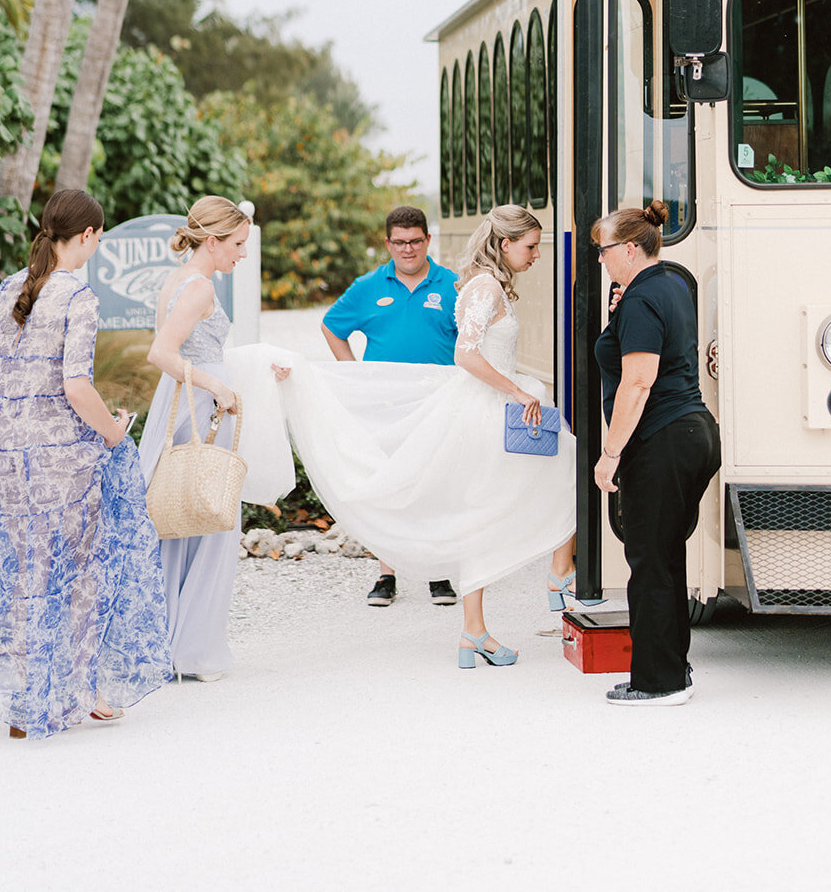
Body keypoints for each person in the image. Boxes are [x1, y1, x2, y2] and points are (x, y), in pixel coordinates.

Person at [278, 204, 576, 666]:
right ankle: (558, 574)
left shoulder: (480, 284)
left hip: (486, 406)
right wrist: (517, 392)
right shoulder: (484, 287)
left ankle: (476, 630)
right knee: (563, 466)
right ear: (506, 244)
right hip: (485, 412)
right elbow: (466, 354)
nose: (537, 255)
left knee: (507, 499)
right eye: (532, 246)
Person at [0, 189, 171, 738]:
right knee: (79, 572)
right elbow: (75, 386)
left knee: (27, 571)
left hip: (5, 455)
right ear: (90, 235)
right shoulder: (79, 296)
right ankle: (74, 693)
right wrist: (115, 430)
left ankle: (26, 699)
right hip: (60, 460)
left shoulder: (9, 290)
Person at [591, 201, 721, 706]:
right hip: (693, 434)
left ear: (627, 249)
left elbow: (638, 382)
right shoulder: (669, 284)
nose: (599, 260)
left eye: (603, 251)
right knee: (667, 556)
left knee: (648, 562)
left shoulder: (643, 298)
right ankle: (673, 670)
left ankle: (658, 682)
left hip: (661, 439)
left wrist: (609, 454)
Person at [321, 206, 459, 608]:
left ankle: (438, 573)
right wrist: (353, 376)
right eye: (399, 242)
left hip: (438, 402)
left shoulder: (451, 285)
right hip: (385, 405)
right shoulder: (368, 286)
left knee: (435, 484)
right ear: (387, 244)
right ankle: (387, 574)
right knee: (390, 486)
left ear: (427, 241)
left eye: (416, 241)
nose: (408, 250)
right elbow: (332, 326)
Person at [139, 194, 251, 682]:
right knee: (209, 518)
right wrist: (216, 386)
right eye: (238, 244)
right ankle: (194, 651)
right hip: (198, 406)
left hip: (184, 402)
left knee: (177, 517)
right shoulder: (199, 288)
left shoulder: (179, 279)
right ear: (213, 240)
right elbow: (160, 352)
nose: (242, 254)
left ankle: (170, 643)